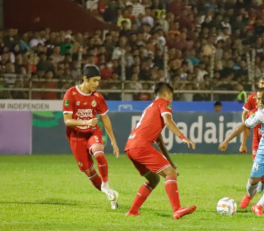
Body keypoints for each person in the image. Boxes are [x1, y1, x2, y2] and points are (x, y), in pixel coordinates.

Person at [125, 82, 198, 219]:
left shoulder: (149, 108)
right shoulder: (164, 103)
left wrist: (170, 162)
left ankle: (133, 211)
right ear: (166, 94)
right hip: (141, 146)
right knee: (170, 173)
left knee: (153, 179)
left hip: (130, 147)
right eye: (171, 96)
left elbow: (159, 142)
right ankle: (177, 209)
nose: (171, 99)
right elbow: (168, 121)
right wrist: (183, 137)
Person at [62, 65, 120, 209]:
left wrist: (113, 140)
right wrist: (85, 121)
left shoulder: (98, 97)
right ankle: (109, 193)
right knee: (89, 171)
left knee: (99, 154)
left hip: (92, 132)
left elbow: (105, 118)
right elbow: (67, 121)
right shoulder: (71, 94)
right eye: (94, 81)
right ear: (85, 78)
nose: (96, 84)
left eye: (98, 81)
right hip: (76, 137)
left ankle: (105, 185)